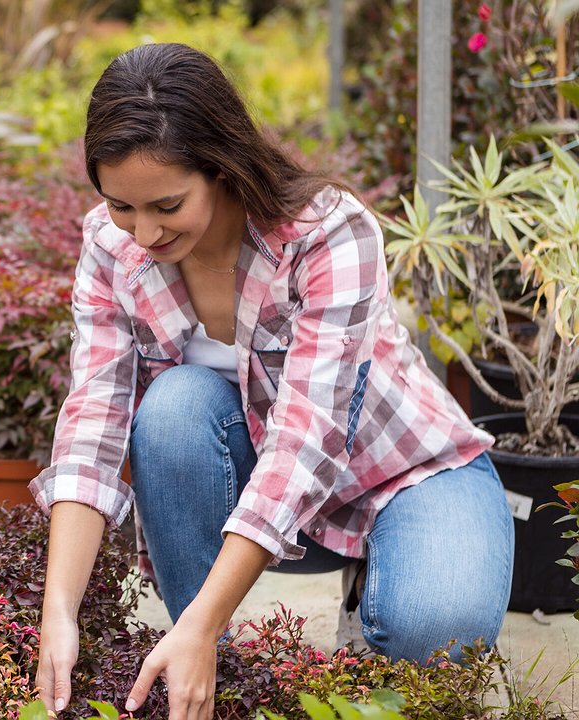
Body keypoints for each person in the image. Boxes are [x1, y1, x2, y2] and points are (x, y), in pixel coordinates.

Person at [29, 43, 513, 720]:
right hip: (261, 495)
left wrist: (193, 624)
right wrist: (60, 613)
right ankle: (203, 661)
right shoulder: (111, 248)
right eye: (120, 206)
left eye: (166, 205)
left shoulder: (326, 234)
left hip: (402, 474)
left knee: (439, 631)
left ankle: (332, 604)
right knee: (170, 411)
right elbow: (93, 422)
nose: (142, 233)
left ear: (222, 169)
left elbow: (306, 443)